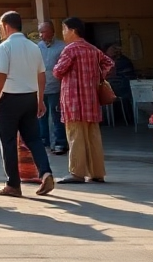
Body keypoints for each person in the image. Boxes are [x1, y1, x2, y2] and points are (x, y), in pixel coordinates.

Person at [0, 11, 56, 197]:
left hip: (9, 99)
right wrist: (40, 99)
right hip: (30, 97)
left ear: (5, 26)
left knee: (8, 141)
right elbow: (41, 75)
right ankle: (46, 172)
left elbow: (0, 75)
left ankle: (13, 184)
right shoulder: (34, 47)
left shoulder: (4, 47)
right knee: (34, 138)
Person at [53, 18, 115, 183]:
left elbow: (58, 72)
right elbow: (109, 63)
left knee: (75, 136)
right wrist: (98, 75)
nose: (63, 33)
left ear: (72, 30)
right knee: (93, 136)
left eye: (64, 29)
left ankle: (77, 173)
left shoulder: (70, 50)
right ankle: (97, 173)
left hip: (73, 100)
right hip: (91, 99)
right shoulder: (93, 49)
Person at [36, 21, 67, 155]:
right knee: (41, 116)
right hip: (41, 88)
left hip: (56, 88)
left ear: (52, 32)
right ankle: (44, 141)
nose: (41, 35)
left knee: (56, 116)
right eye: (40, 32)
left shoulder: (62, 47)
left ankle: (60, 143)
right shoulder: (38, 47)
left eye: (43, 32)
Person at [104, 44, 137, 125]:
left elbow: (110, 74)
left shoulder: (120, 62)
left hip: (123, 87)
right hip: (123, 87)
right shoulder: (117, 60)